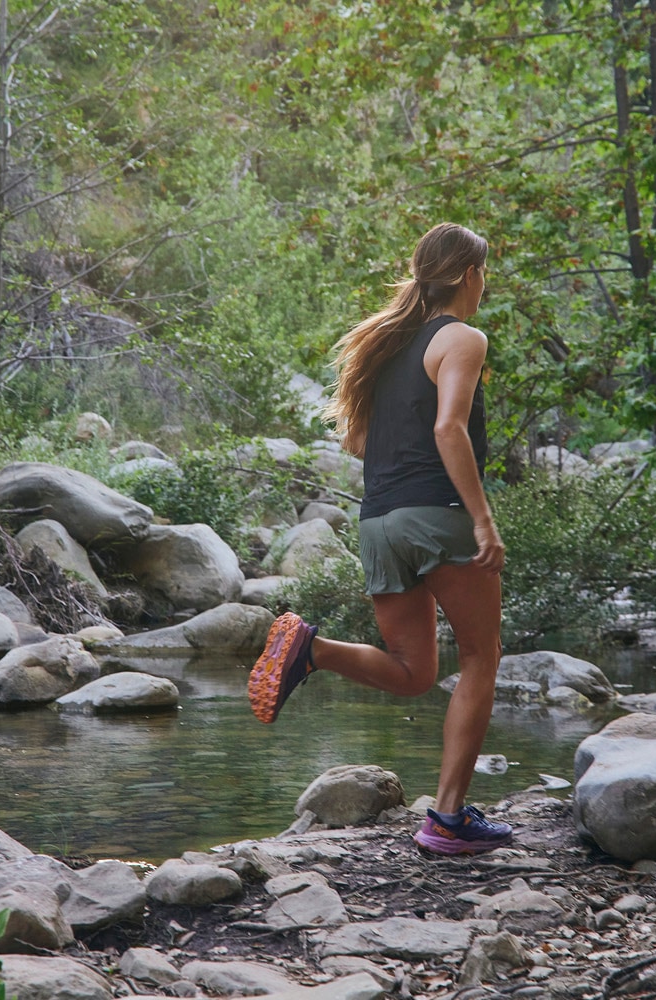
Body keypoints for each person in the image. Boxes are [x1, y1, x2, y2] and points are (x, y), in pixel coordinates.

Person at [247, 222, 511, 855]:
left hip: (380, 522)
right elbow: (450, 429)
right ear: (469, 275)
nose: (485, 286)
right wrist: (481, 519)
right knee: (481, 658)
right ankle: (447, 820)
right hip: (437, 516)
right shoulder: (462, 339)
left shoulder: (387, 348)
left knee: (416, 672)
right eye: (485, 274)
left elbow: (358, 442)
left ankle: (311, 649)